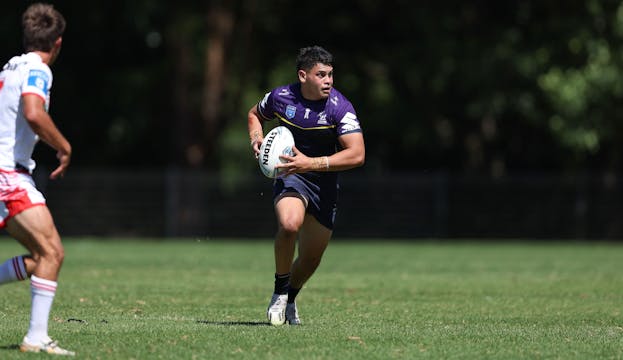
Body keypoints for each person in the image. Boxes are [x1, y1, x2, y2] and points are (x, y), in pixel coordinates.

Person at [248, 45, 365, 326]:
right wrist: (256, 137)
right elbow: (254, 114)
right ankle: (279, 292)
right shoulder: (280, 97)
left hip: (323, 184)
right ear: (303, 75)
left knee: (311, 259)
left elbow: (357, 154)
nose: (328, 81)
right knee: (289, 224)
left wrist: (311, 163)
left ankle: (290, 296)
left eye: (331, 75)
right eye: (321, 74)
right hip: (291, 174)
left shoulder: (340, 107)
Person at [0, 3, 74, 356]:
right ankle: (35, 337)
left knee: (39, 258)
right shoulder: (38, 70)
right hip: (8, 175)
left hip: (8, 173)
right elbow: (33, 111)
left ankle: (36, 336)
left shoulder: (9, 66)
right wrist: (63, 146)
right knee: (52, 252)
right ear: (56, 43)